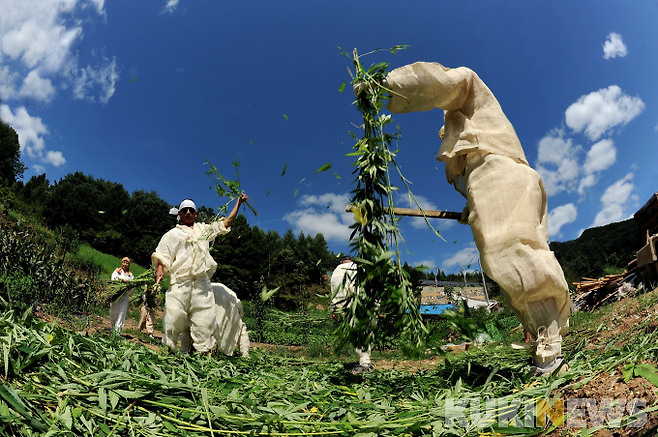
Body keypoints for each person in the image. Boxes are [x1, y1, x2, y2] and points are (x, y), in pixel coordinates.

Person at [367, 62, 572, 375]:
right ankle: (545, 342)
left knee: (509, 249)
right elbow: (480, 187)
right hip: (504, 182)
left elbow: (440, 84)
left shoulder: (467, 84)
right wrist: (472, 210)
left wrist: (386, 85)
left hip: (505, 177)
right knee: (502, 262)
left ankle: (550, 350)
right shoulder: (472, 148)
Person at [152, 194, 248, 354]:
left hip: (201, 283)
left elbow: (226, 223)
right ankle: (171, 351)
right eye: (184, 210)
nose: (188, 212)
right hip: (180, 281)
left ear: (196, 213)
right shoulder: (172, 234)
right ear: (180, 214)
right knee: (174, 316)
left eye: (191, 210)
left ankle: (203, 356)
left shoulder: (204, 230)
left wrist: (238, 203)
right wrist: (160, 269)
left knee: (204, 321)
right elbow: (163, 254)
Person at [330, 255, 373, 375]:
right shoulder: (361, 269)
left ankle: (364, 363)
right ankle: (366, 361)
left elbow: (338, 290)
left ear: (342, 261)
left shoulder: (340, 270)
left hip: (352, 306)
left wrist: (335, 308)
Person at [110, 257, 134, 333]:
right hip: (116, 295)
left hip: (124, 296)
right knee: (113, 312)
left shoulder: (130, 275)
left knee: (122, 313)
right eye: (124, 262)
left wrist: (128, 286)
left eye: (127, 263)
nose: (125, 264)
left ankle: (118, 331)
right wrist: (120, 280)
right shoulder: (117, 271)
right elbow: (113, 279)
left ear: (129, 265)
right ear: (122, 263)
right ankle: (113, 326)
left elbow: (132, 285)